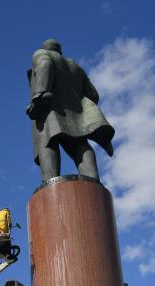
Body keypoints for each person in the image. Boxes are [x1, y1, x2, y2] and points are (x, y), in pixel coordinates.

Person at [26, 39, 114, 182]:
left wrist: (40, 93)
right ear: (60, 51)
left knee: (48, 142)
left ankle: (50, 184)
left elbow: (44, 64)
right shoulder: (76, 67)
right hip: (77, 116)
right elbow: (93, 94)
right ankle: (92, 181)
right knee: (80, 145)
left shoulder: (41, 53)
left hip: (50, 108)